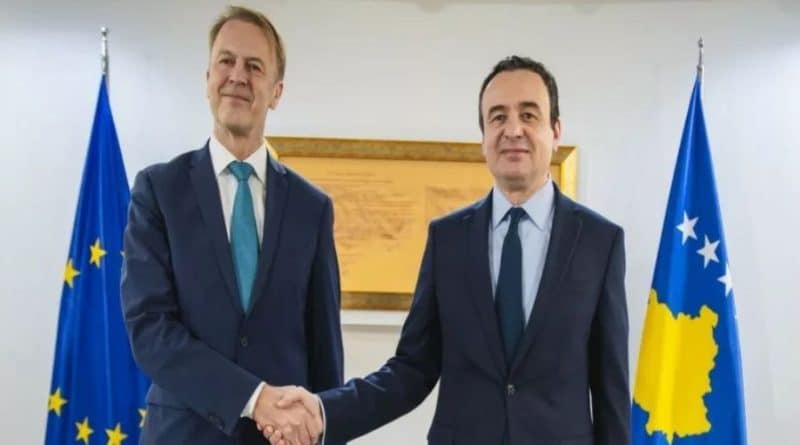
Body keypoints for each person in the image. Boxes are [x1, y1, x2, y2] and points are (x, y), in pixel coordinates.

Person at [271, 56, 630, 445]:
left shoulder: (599, 242)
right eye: (498, 117)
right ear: (483, 138)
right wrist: (325, 411)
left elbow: (610, 392)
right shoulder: (448, 240)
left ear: (555, 131)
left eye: (529, 115)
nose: (513, 130)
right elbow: (411, 369)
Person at [121, 6, 342, 445]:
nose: (238, 76)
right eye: (226, 61)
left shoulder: (312, 208)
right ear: (208, 78)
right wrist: (253, 398)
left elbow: (324, 352)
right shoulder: (158, 191)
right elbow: (150, 330)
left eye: (254, 66)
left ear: (276, 92)